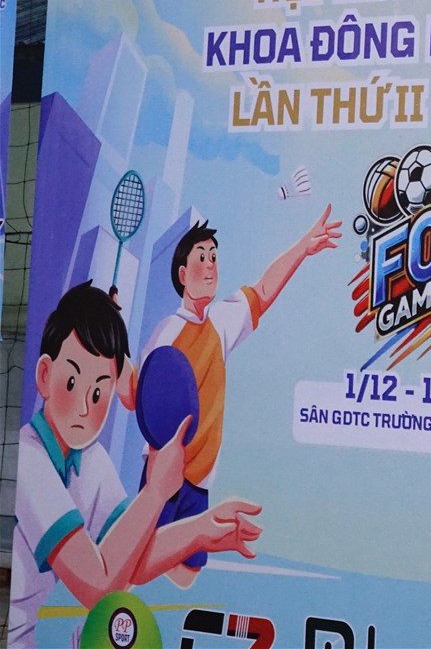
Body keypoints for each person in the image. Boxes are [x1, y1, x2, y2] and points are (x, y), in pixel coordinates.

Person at [10, 282, 261, 648]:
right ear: (45, 375)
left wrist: (201, 530)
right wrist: (156, 492)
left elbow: (131, 559)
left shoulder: (91, 461)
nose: (84, 408)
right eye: (72, 382)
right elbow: (97, 585)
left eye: (99, 391)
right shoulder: (30, 458)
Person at [139, 206, 340, 586]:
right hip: (165, 477)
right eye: (201, 257)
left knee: (184, 578)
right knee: (144, 569)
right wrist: (155, 482)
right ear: (182, 274)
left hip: (199, 481)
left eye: (214, 257)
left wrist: (304, 247)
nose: (210, 265)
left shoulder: (221, 322)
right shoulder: (167, 333)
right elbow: (149, 406)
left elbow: (262, 291)